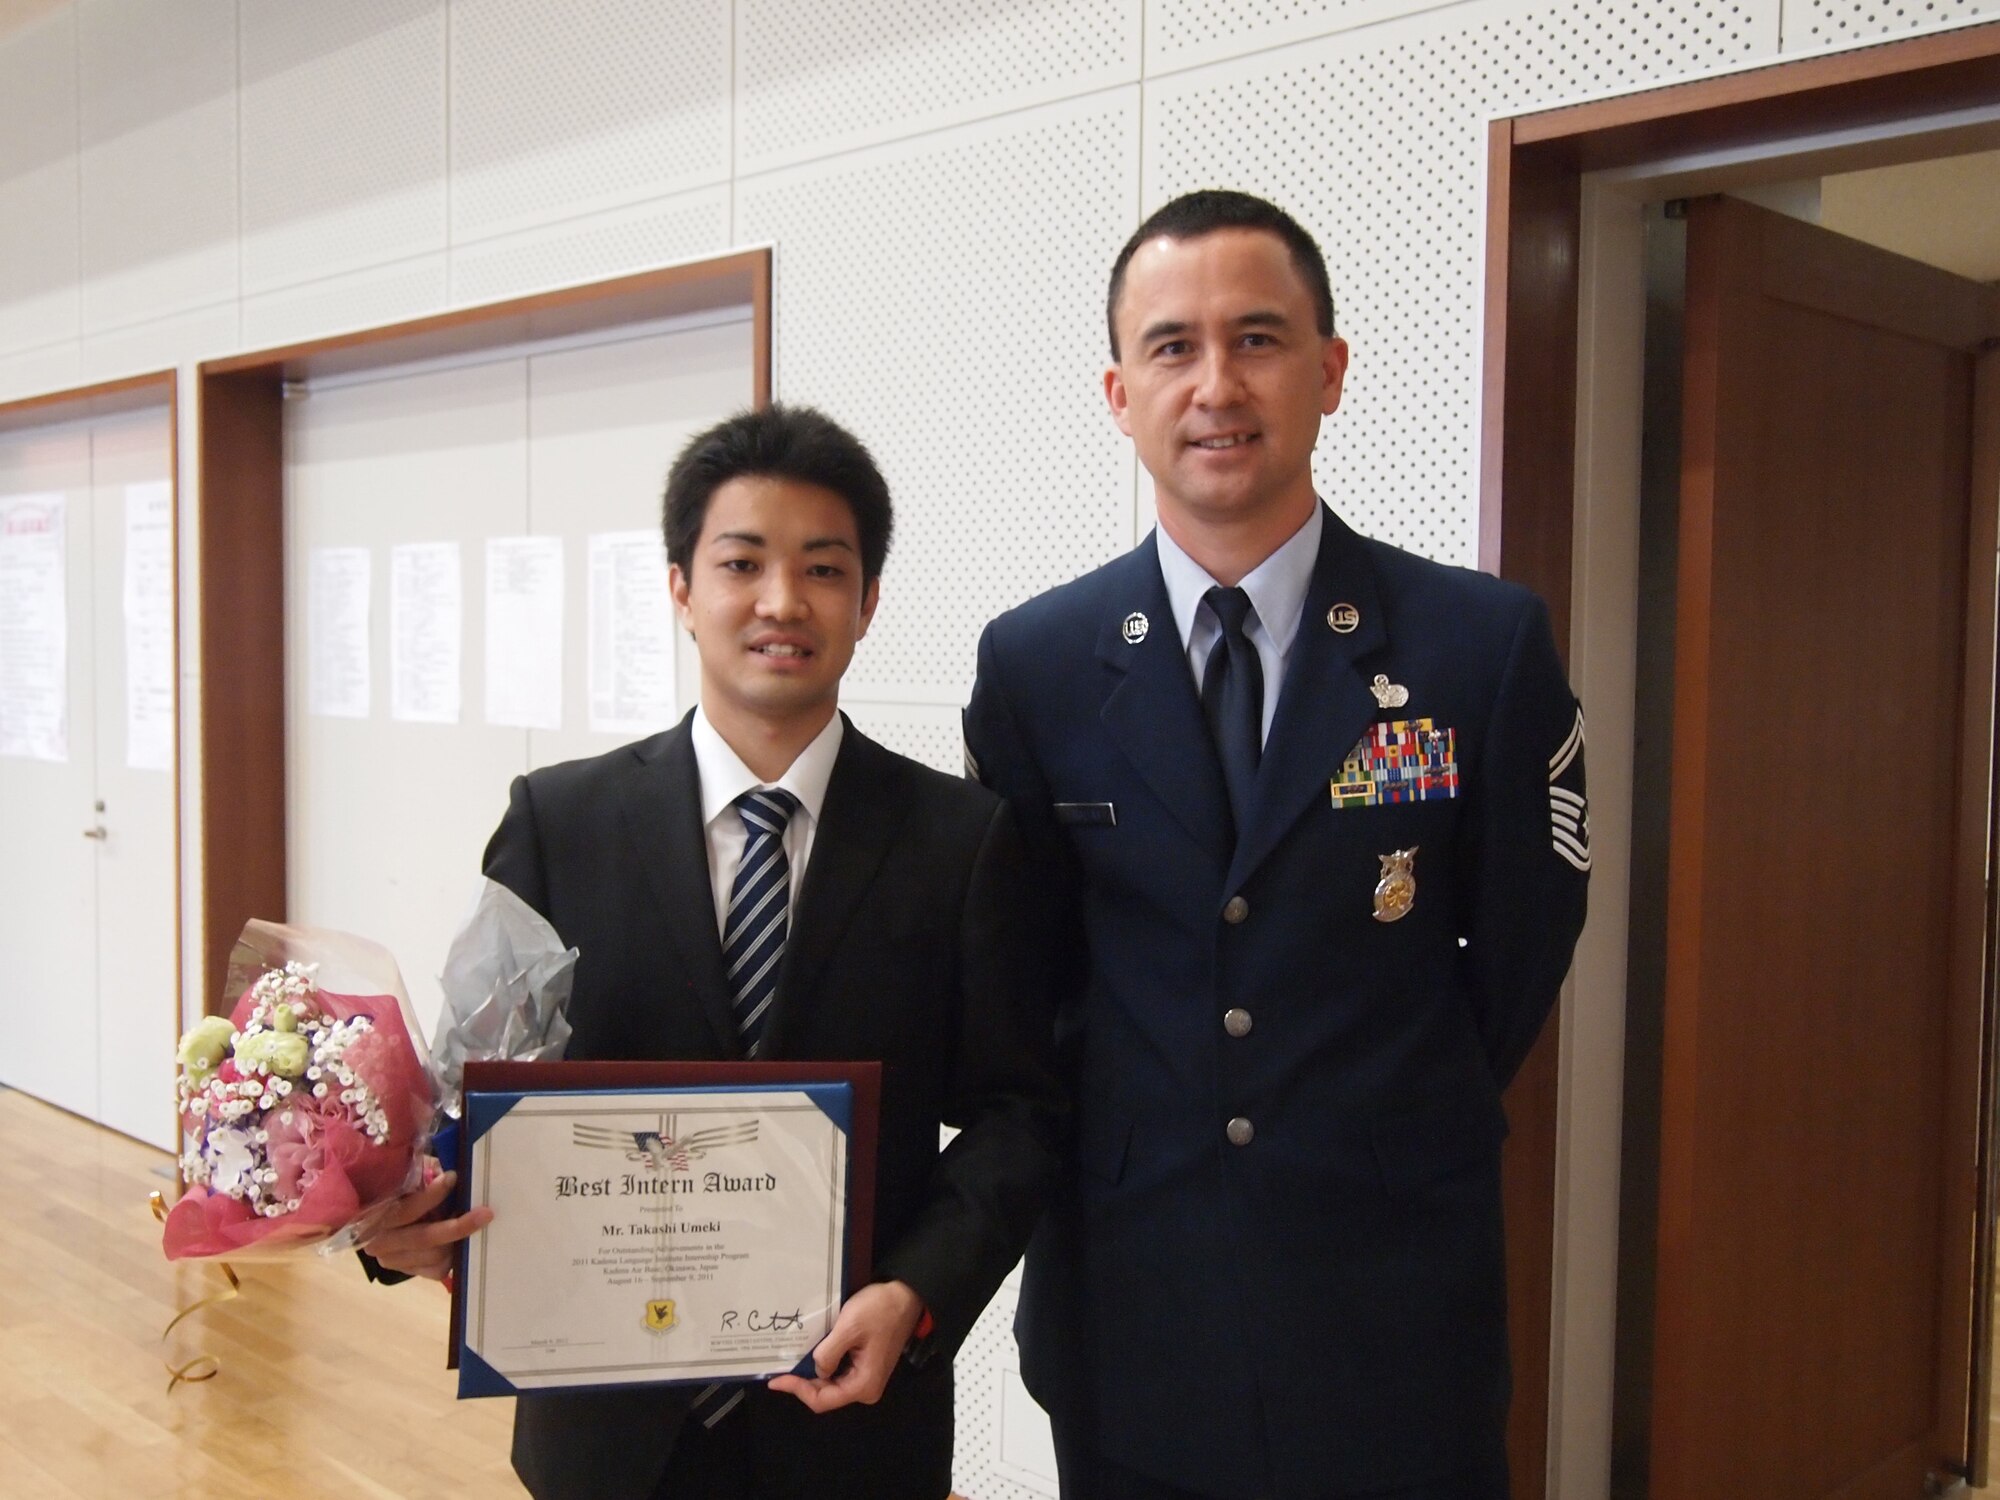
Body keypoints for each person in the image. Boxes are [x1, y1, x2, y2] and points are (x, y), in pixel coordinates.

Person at [963, 190, 1590, 1500]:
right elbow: (1019, 980)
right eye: (1172, 347)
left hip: (1395, 1284)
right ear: (1118, 391)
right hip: (1133, 1284)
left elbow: (1530, 928)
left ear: (1331, 371)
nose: (1216, 386)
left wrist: (1391, 1107)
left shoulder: (1478, 646)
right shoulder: (1035, 665)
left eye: (1257, 339)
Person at [363, 405, 1066, 1500]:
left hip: (850, 1414)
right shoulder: (558, 823)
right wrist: (395, 1224)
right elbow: (469, 1084)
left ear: (868, 601)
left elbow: (1017, 1114)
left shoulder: (959, 841)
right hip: (601, 1423)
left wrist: (917, 1292)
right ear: (681, 588)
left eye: (822, 569)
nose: (781, 602)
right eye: (741, 563)